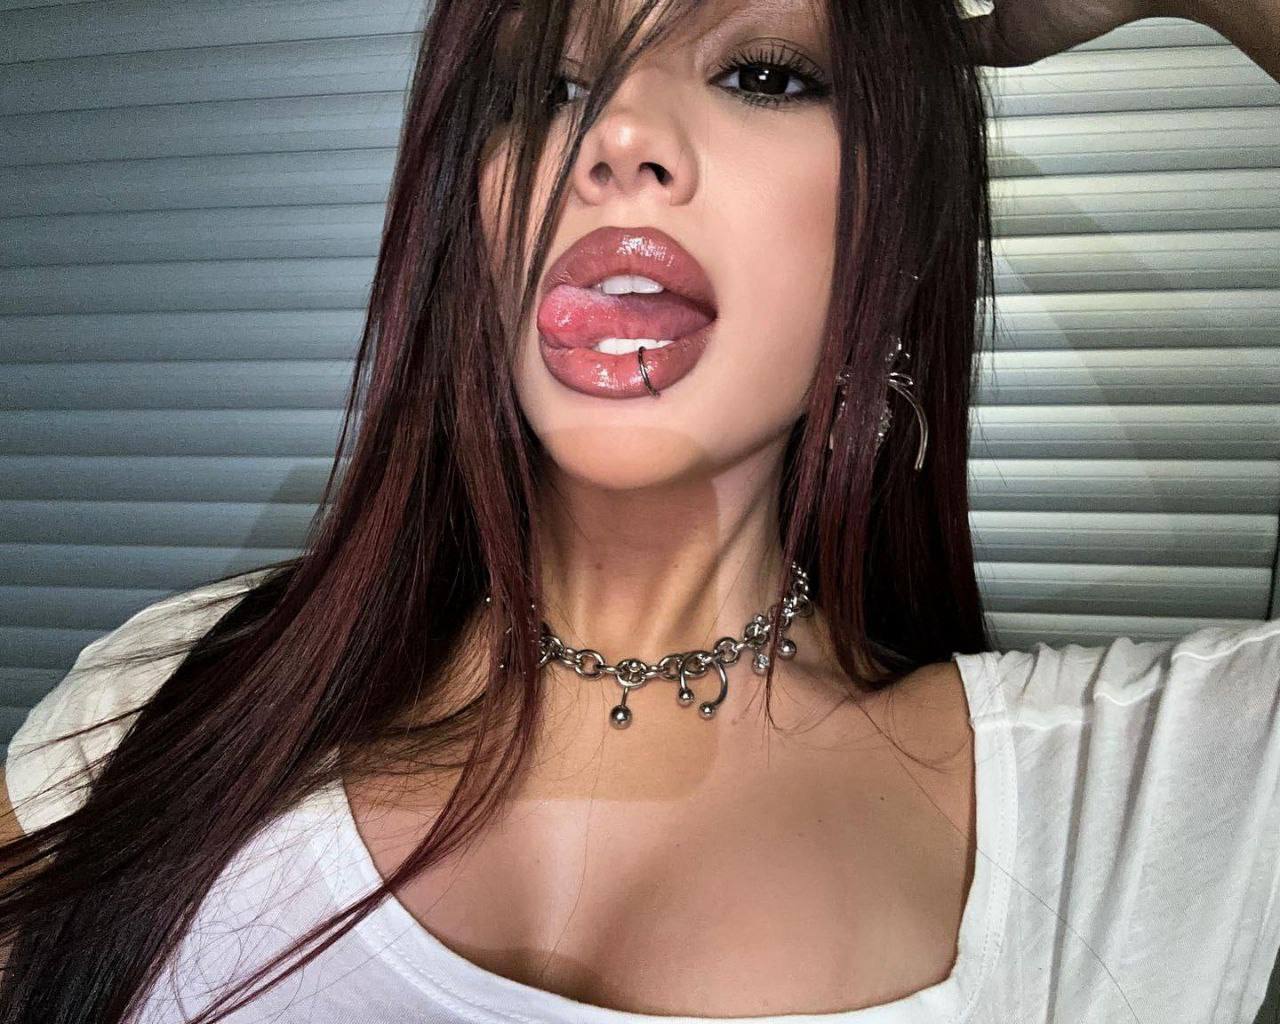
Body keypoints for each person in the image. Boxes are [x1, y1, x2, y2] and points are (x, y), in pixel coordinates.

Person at [0, 0, 1277, 1021]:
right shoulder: (176, 692)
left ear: (892, 245)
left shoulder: (1123, 800)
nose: (615, 133)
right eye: (546, 88)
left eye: (762, 73)